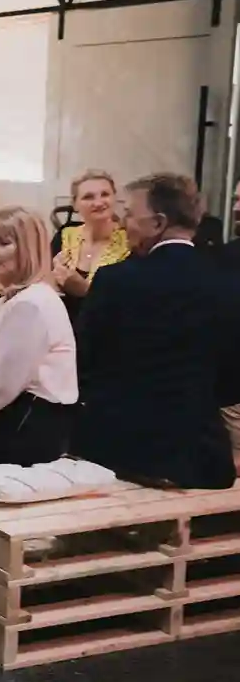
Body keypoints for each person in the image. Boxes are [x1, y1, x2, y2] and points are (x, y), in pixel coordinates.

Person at [71, 173, 240, 489]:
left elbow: (84, 363)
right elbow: (233, 380)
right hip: (198, 456)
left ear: (158, 223)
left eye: (130, 216)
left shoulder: (114, 281)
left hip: (117, 451)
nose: (122, 225)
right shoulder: (228, 284)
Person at [0, 207, 77, 465]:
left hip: (26, 431)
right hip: (17, 421)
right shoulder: (13, 301)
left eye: (3, 242)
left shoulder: (31, 304)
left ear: (29, 250)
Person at [51, 168, 128, 324]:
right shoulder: (65, 235)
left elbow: (128, 299)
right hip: (61, 322)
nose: (99, 203)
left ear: (114, 198)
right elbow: (43, 282)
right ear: (75, 204)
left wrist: (85, 291)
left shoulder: (130, 241)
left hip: (108, 327)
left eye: (105, 194)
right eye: (88, 197)